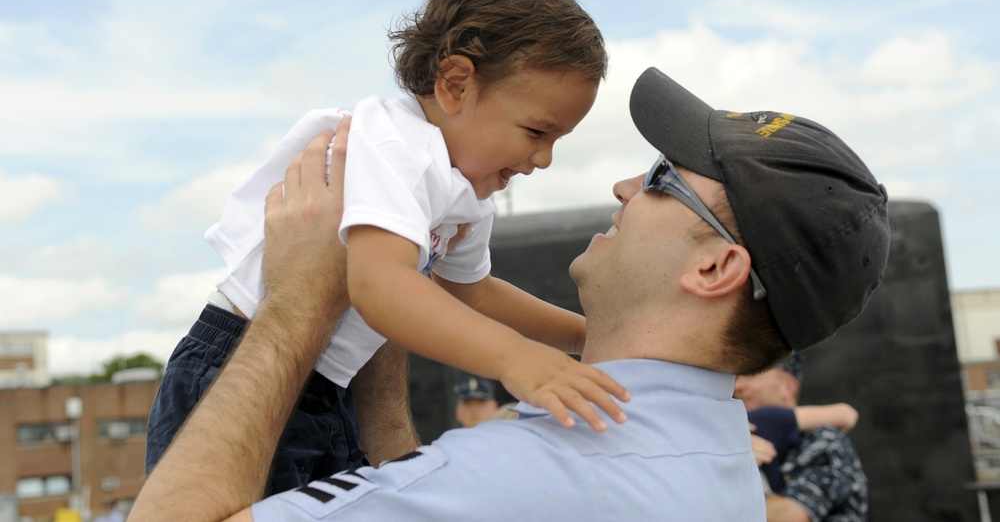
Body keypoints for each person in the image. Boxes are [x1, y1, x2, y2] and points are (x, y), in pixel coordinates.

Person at [131, 67, 891, 521]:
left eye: (662, 179)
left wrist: (299, 300)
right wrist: (394, 268)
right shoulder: (717, 464)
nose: (624, 184)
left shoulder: (535, 473)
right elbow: (405, 482)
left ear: (717, 269)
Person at [145, 0, 629, 492]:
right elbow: (378, 285)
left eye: (557, 140)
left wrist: (584, 337)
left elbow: (473, 293)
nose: (544, 159)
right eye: (536, 131)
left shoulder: (465, 192)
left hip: (326, 384)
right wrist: (515, 359)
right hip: (237, 366)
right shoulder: (395, 144)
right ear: (455, 84)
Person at [736, 354, 868, 520]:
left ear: (788, 387)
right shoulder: (730, 439)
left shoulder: (821, 439)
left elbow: (786, 517)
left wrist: (733, 467)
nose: (737, 385)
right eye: (735, 377)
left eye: (751, 374)